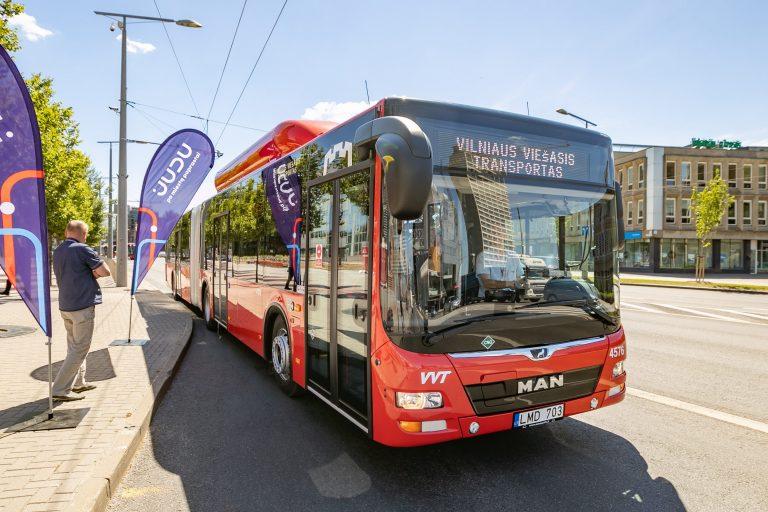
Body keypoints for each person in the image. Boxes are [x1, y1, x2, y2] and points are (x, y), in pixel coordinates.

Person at [51, 220, 111, 402]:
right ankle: (60, 389)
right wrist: (93, 273)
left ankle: (78, 382)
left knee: (74, 346)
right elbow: (105, 271)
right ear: (83, 234)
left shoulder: (58, 250)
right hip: (82, 306)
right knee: (80, 348)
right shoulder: (82, 249)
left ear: (66, 232)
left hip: (66, 306)